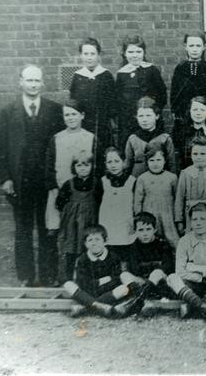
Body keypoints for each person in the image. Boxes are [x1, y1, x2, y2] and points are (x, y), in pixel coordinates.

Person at [0, 65, 64, 286]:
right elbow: (1, 149)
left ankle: (48, 276)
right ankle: (26, 276)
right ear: (20, 82)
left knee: (47, 228)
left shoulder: (54, 110)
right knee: (23, 229)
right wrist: (5, 178)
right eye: (29, 81)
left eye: (37, 81)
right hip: (20, 181)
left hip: (45, 181)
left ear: (43, 83)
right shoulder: (7, 112)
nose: (33, 85)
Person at [45, 99, 97, 282]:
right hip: (61, 192)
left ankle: (85, 275)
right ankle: (57, 276)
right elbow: (50, 167)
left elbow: (95, 167)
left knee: (83, 232)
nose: (70, 118)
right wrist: (56, 191)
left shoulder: (90, 137)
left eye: (74, 114)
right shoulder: (57, 138)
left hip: (83, 194)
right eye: (67, 114)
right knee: (59, 233)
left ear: (82, 115)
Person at [63, 225, 146, 318]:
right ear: (85, 244)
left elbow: (116, 279)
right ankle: (101, 306)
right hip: (88, 292)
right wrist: (104, 279)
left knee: (124, 289)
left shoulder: (113, 257)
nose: (94, 243)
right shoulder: (82, 259)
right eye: (90, 240)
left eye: (97, 239)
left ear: (105, 241)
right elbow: (82, 282)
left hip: (108, 293)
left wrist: (96, 282)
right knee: (68, 284)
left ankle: (85, 308)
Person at [56, 150, 104, 281]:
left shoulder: (96, 183)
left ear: (92, 166)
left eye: (86, 165)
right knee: (71, 249)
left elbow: (100, 200)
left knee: (89, 248)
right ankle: (68, 279)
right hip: (73, 223)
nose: (83, 168)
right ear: (74, 167)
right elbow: (59, 202)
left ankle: (87, 278)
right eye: (79, 165)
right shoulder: (69, 184)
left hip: (90, 221)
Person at [115, 35, 167, 148]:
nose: (135, 55)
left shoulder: (152, 70)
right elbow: (118, 100)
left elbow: (162, 95)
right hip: (130, 122)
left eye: (138, 51)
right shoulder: (121, 74)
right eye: (131, 52)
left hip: (151, 121)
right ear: (125, 53)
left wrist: (152, 114)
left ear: (144, 52)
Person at [121, 212, 176, 317]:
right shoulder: (133, 247)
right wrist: (153, 265)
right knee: (124, 275)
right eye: (141, 230)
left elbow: (167, 267)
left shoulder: (162, 244)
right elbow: (135, 269)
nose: (145, 233)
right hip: (141, 282)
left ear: (155, 230)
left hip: (160, 282)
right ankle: (145, 299)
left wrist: (151, 269)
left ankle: (139, 300)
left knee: (157, 272)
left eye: (148, 229)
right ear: (135, 231)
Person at [69, 37, 117, 147]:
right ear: (81, 55)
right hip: (83, 125)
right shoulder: (77, 77)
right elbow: (73, 103)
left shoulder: (106, 76)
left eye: (92, 54)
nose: (89, 58)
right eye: (86, 54)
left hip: (102, 125)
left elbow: (113, 103)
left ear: (98, 55)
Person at [133, 144, 179, 248]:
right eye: (152, 160)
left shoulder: (172, 178)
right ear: (147, 162)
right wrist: (140, 218)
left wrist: (178, 218)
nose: (155, 164)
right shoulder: (142, 178)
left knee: (172, 240)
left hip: (168, 215)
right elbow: (138, 201)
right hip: (149, 215)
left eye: (159, 160)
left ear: (164, 161)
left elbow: (177, 199)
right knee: (151, 238)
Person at [170, 31, 206, 133]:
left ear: (204, 47)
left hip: (204, 111)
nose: (195, 49)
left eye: (198, 46)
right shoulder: (180, 68)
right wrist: (175, 111)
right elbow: (175, 92)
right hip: (184, 111)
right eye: (191, 46)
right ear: (186, 47)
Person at [99, 147, 136, 263]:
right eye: (109, 162)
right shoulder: (103, 181)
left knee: (125, 256)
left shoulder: (132, 181)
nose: (113, 165)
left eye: (116, 161)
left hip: (125, 227)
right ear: (105, 164)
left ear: (124, 162)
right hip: (108, 226)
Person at [124, 97, 176, 177]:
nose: (144, 120)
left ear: (157, 116)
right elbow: (128, 164)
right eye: (141, 116)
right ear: (136, 117)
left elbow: (171, 164)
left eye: (148, 115)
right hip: (137, 179)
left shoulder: (165, 138)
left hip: (160, 180)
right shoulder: (132, 139)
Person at [173, 96, 206, 171]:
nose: (198, 113)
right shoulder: (182, 131)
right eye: (195, 110)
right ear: (190, 111)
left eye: (202, 110)